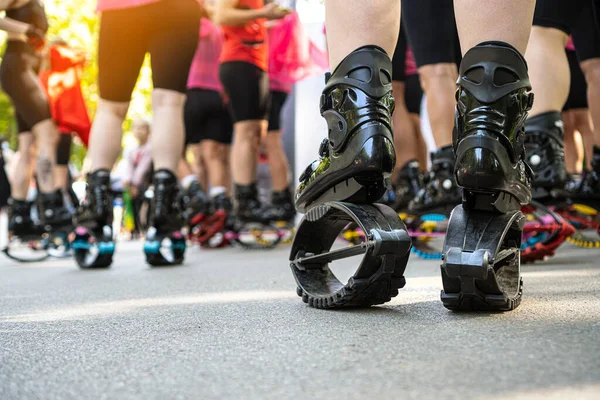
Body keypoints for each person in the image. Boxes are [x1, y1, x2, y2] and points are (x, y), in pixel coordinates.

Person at [74, 0, 201, 263]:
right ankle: (165, 210)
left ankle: (96, 208)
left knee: (110, 108)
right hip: (179, 9)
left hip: (121, 9)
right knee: (169, 102)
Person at [214, 0, 288, 223]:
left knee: (256, 132)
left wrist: (266, 18)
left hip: (255, 62)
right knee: (246, 130)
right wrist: (264, 12)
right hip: (238, 61)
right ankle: (245, 203)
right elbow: (222, 16)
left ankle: (250, 201)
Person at [0, 0, 70, 235]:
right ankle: (51, 205)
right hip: (17, 66)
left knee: (28, 144)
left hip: (28, 67)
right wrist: (25, 30)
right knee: (48, 133)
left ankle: (19, 215)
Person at [184, 5, 233, 221]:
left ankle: (196, 196)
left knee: (183, 154)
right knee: (212, 154)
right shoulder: (218, 31)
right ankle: (220, 202)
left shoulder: (188, 26)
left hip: (192, 92)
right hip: (216, 96)